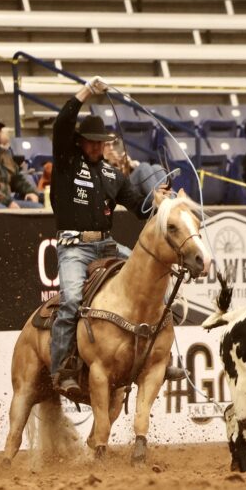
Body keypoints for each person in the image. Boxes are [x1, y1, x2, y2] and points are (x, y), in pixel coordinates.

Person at [48, 76, 184, 397]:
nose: (97, 146)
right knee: (71, 300)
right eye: (91, 142)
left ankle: (161, 357)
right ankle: (62, 368)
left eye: (101, 142)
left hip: (106, 244)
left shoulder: (112, 174)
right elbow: (61, 125)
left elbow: (138, 206)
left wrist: (157, 200)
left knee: (154, 283)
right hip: (74, 246)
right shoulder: (67, 162)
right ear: (80, 142)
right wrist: (85, 92)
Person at [102, 138, 168, 198]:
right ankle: (160, 200)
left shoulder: (119, 155)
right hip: (117, 191)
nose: (111, 147)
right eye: (107, 144)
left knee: (157, 168)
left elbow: (127, 176)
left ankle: (171, 200)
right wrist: (112, 164)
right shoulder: (100, 162)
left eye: (114, 143)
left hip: (127, 184)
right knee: (143, 166)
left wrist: (128, 164)